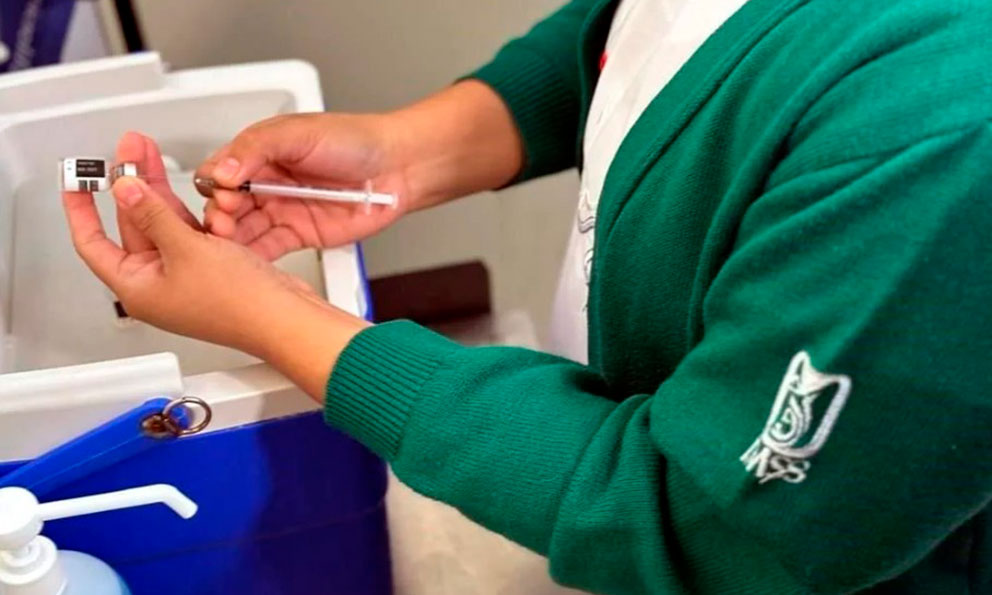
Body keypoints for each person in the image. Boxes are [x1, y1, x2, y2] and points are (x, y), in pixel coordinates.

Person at [62, 0, 992, 593]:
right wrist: (405, 153)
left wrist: (270, 316)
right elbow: (645, 39)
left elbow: (707, 525)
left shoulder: (947, 132)